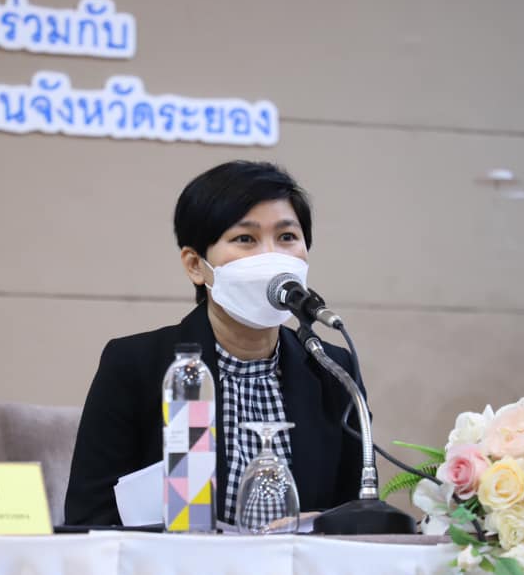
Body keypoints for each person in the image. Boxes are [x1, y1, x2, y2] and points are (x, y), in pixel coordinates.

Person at [64, 160, 366, 526]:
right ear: (195, 265)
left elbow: (361, 515)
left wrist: (324, 526)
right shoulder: (135, 365)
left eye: (287, 237)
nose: (271, 257)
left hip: (299, 563)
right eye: (245, 239)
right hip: (172, 562)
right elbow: (88, 518)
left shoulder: (333, 369)